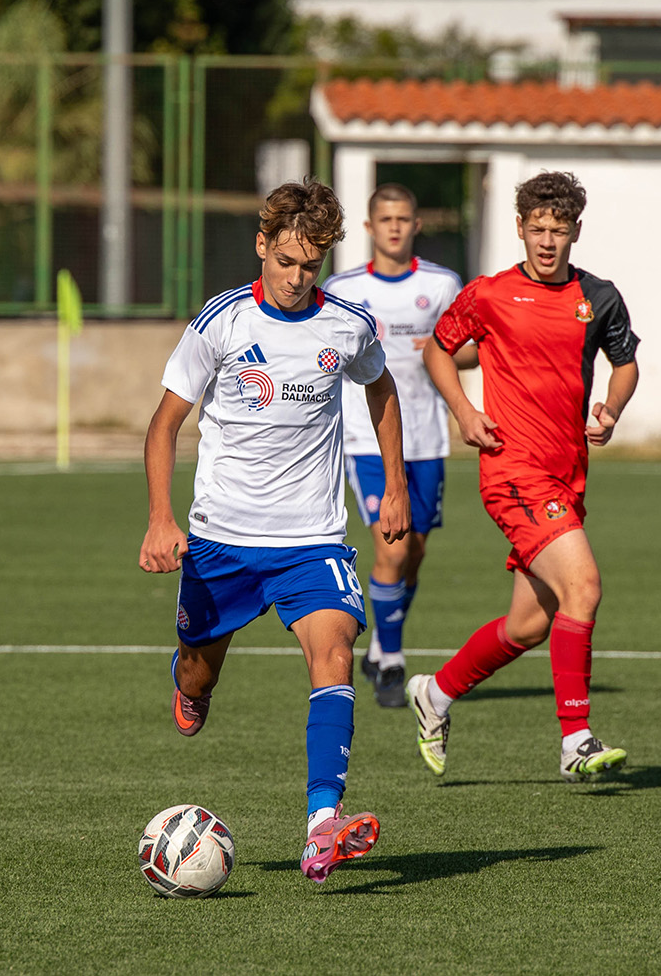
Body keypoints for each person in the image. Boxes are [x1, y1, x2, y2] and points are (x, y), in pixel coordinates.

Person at [139, 178, 411, 882]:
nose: (295, 278)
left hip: (310, 540)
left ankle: (323, 824)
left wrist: (393, 488)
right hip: (221, 541)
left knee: (334, 655)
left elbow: (380, 391)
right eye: (285, 261)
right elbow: (165, 424)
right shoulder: (220, 322)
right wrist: (161, 520)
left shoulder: (346, 326)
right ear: (261, 246)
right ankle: (192, 683)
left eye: (309, 266)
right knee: (200, 668)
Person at [406, 171, 640, 782]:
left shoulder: (600, 297)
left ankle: (436, 693)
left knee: (529, 624)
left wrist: (612, 409)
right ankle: (576, 740)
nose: (546, 241)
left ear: (575, 233)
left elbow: (625, 365)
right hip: (512, 471)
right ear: (519, 229)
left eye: (558, 231)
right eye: (537, 229)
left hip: (567, 477)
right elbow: (436, 349)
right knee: (583, 586)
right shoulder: (489, 294)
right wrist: (465, 411)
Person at [321, 183, 466, 707]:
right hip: (367, 438)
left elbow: (464, 350)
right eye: (386, 219)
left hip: (427, 437)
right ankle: (393, 664)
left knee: (416, 552)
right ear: (369, 227)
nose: (395, 227)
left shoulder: (441, 284)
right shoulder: (343, 287)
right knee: (393, 544)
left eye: (404, 218)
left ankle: (380, 643)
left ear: (416, 225)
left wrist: (446, 353)